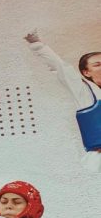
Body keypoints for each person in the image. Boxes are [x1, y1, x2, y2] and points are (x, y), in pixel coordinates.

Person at [25, 30, 101, 172]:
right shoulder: (85, 93)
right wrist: (37, 45)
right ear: (86, 72)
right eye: (97, 64)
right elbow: (61, 69)